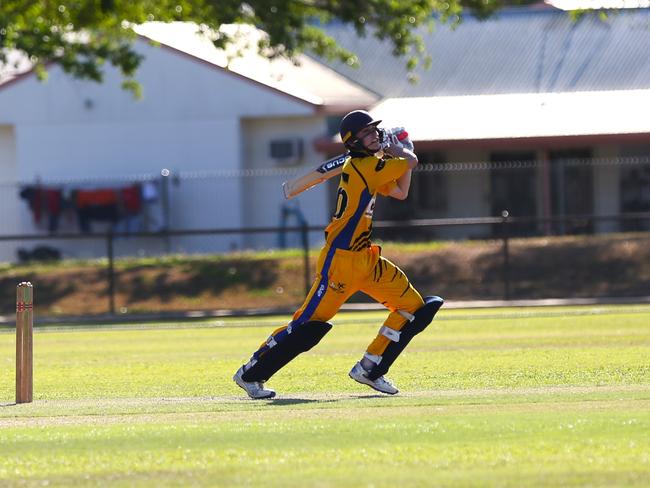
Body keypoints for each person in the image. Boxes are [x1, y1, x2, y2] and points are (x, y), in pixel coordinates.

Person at [233, 110, 443, 399]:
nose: (374, 136)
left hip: (367, 259)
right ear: (354, 142)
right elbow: (410, 162)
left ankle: (371, 367)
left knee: (414, 309)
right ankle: (250, 373)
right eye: (367, 133)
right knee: (306, 327)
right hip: (340, 262)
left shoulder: (369, 165)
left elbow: (400, 192)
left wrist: (403, 154)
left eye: (374, 131)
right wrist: (404, 150)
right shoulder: (365, 165)